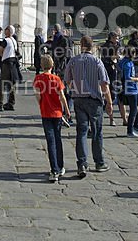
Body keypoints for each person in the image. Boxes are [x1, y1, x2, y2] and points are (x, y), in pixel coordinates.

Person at [64, 35, 113, 177]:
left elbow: (67, 80)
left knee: (82, 132)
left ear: (81, 45)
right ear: (93, 47)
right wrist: (109, 102)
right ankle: (99, 162)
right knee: (97, 132)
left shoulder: (73, 61)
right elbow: (104, 84)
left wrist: (75, 87)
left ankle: (82, 163)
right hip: (94, 100)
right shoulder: (97, 62)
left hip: (79, 99)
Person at [34, 54, 71, 182]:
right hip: (57, 113)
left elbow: (37, 95)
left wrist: (41, 103)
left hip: (46, 113)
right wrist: (66, 109)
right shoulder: (56, 79)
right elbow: (62, 96)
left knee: (50, 141)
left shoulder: (38, 79)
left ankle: (54, 169)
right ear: (52, 65)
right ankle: (60, 166)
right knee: (58, 139)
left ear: (41, 65)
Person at [100, 31, 126, 127]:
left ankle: (124, 119)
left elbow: (123, 53)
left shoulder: (119, 45)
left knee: (121, 97)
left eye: (118, 37)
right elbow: (105, 59)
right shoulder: (106, 46)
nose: (117, 39)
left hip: (118, 72)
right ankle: (111, 118)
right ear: (111, 37)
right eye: (116, 37)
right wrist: (113, 57)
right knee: (111, 96)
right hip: (110, 73)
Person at [119, 46, 138, 138]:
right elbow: (128, 78)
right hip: (130, 89)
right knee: (134, 110)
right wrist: (137, 78)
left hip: (131, 89)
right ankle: (130, 131)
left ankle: (135, 127)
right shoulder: (128, 63)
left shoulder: (124, 62)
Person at [0, 26, 21, 112]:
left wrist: (4, 56)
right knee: (11, 84)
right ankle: (11, 103)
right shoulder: (14, 40)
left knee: (2, 84)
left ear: (8, 31)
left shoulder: (6, 40)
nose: (5, 30)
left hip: (6, 63)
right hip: (13, 63)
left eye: (6, 29)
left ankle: (0, 104)